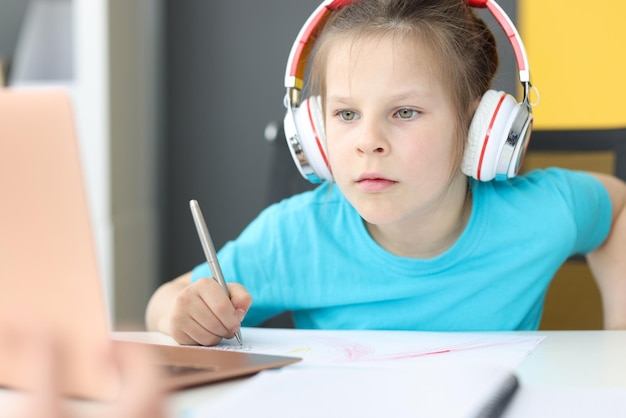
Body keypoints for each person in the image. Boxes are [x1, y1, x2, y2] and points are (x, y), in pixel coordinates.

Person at [146, 0, 626, 347]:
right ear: (314, 129)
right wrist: (181, 315)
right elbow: (164, 303)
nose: (367, 141)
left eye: (405, 112)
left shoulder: (539, 214)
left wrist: (615, 349)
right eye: (347, 114)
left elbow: (618, 207)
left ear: (480, 127)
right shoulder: (297, 236)